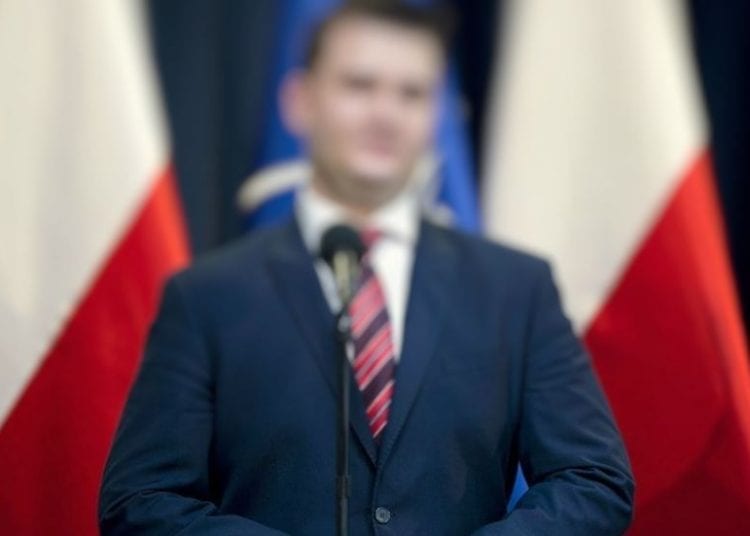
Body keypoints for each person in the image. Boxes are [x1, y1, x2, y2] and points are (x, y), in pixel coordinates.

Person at [99, 2, 634, 534]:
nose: (385, 114)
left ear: (437, 116)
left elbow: (593, 479)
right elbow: (141, 499)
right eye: (359, 85)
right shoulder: (208, 296)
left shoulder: (515, 290)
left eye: (412, 93)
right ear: (299, 102)